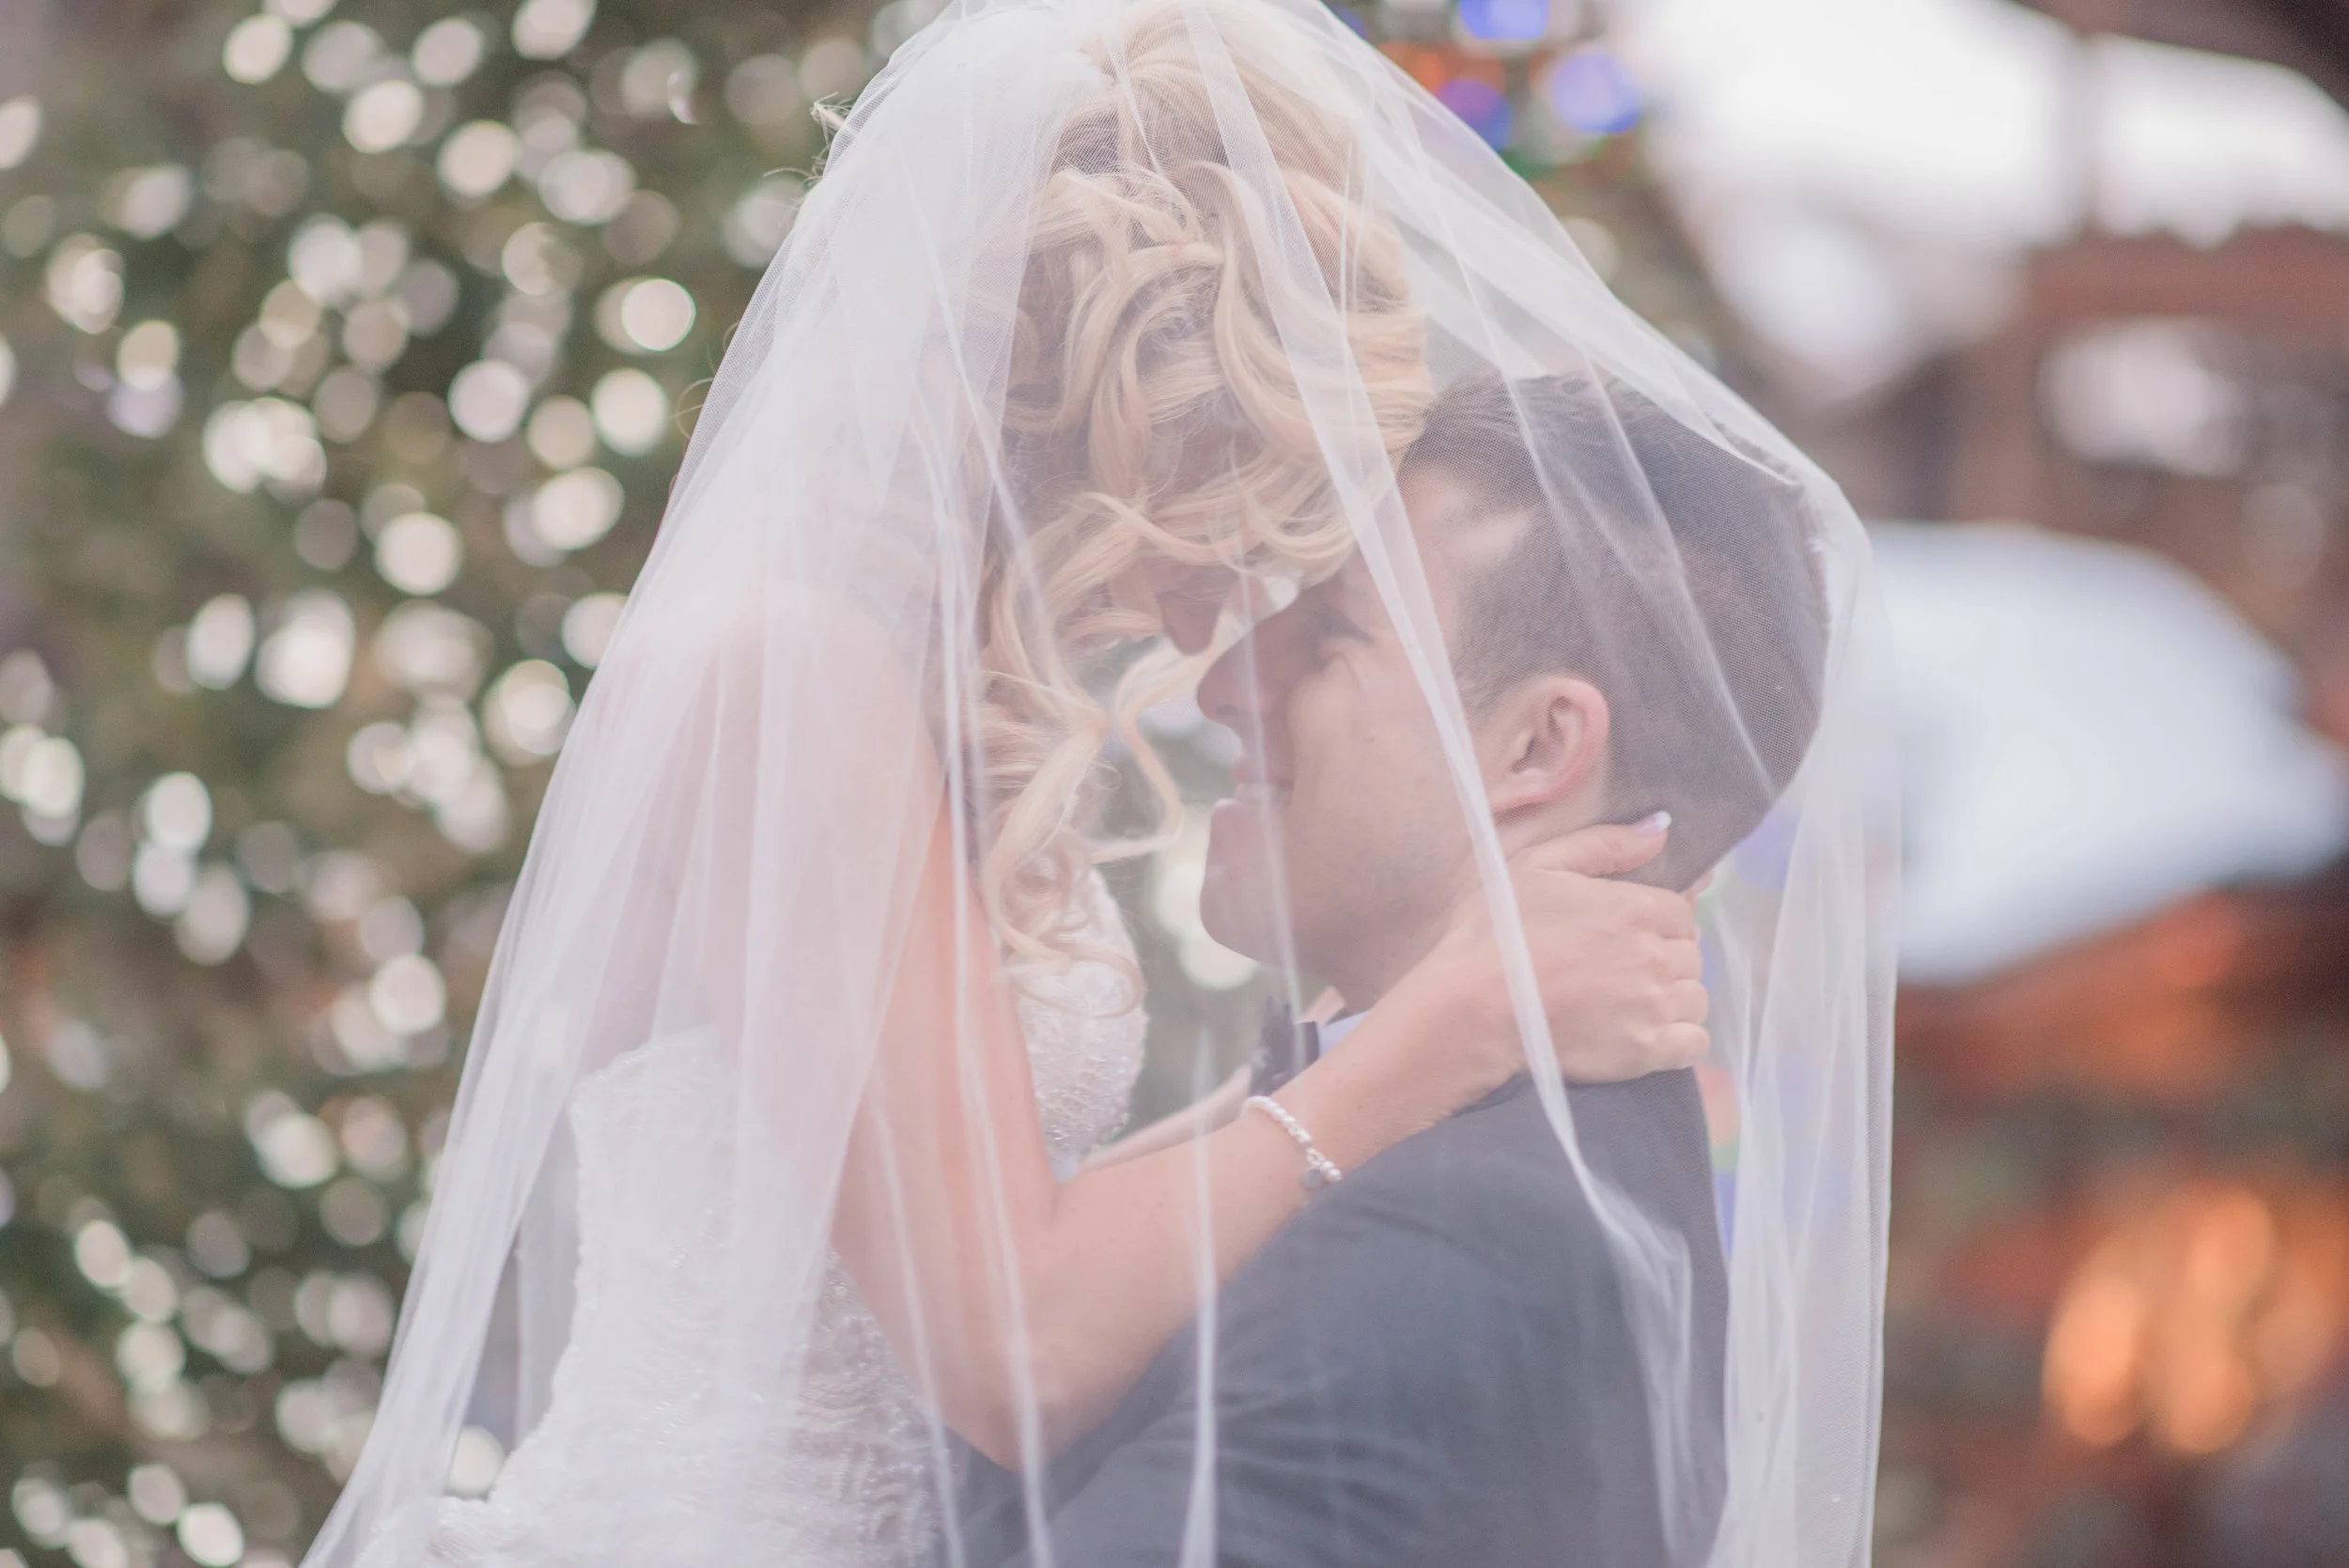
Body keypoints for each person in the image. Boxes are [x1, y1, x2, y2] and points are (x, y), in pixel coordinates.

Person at [308, 3, 1896, 1568]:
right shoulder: (791, 675)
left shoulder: (944, 709)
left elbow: (1023, 1225)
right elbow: (1018, 1338)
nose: (1216, 637)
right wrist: (1447, 1024)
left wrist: (1396, 1035)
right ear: (1119, 436)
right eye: (1242, 516)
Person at [950, 367, 1828, 1566]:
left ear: (1537, 745)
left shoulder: (1472, 1240)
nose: (1224, 683)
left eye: (1332, 632)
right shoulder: (1458, 1145)